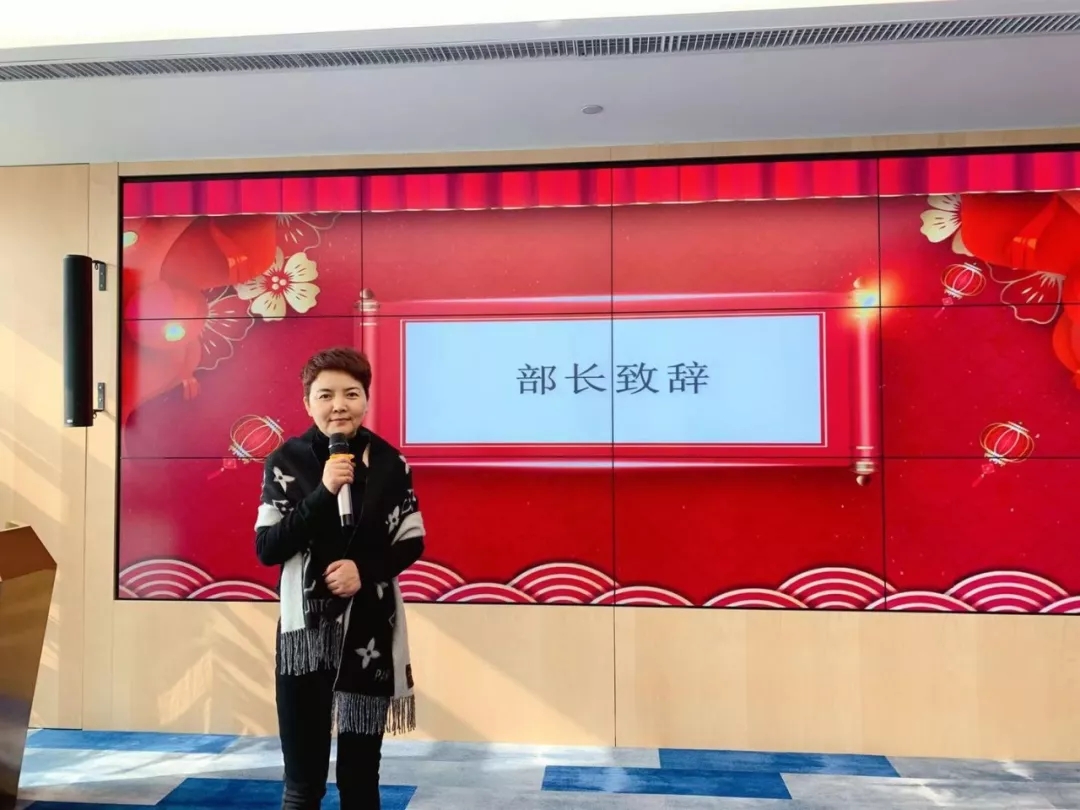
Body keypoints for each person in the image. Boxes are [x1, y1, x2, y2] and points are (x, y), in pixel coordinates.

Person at [254, 347, 425, 810]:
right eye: (325, 395)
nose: (339, 405)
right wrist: (325, 490)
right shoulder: (286, 461)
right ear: (307, 403)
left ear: (366, 400)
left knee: (360, 777)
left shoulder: (390, 463)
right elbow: (268, 548)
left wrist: (363, 572)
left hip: (368, 630)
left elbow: (411, 542)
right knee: (302, 779)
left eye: (351, 394)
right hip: (305, 638)